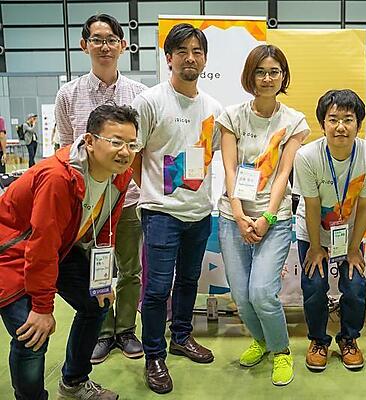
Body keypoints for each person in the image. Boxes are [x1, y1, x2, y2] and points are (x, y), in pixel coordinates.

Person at [0, 104, 140, 400]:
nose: (125, 152)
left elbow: (106, 229)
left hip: (58, 247)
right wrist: (42, 308)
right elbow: (42, 245)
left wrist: (101, 281)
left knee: (97, 304)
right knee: (32, 334)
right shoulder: (57, 177)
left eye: (131, 144)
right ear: (89, 141)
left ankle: (74, 382)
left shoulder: (120, 175)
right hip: (10, 252)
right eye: (116, 142)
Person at [132, 23, 222, 394]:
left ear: (205, 60)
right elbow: (134, 155)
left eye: (197, 51)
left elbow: (217, 154)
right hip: (161, 214)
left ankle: (181, 337)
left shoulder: (213, 108)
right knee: (156, 289)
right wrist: (154, 192)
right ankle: (154, 356)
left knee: (188, 281)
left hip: (199, 213)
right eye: (182, 51)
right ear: (168, 58)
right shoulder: (150, 102)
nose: (190, 58)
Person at [55, 13, 148, 364]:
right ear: (85, 45)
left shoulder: (139, 95)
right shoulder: (68, 95)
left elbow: (143, 149)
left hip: (128, 199)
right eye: (97, 39)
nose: (104, 46)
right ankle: (103, 331)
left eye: (111, 39)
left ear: (123, 45)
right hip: (87, 204)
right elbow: (66, 149)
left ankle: (126, 329)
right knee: (97, 267)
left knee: (131, 269)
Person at [217, 44, 309, 386]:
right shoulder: (232, 116)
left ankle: (281, 350)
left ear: (283, 76)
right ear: (250, 76)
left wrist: (267, 217)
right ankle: (261, 341)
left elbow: (283, 173)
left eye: (274, 72)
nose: (267, 78)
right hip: (233, 216)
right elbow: (230, 169)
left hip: (275, 218)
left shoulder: (293, 121)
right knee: (242, 297)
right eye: (260, 72)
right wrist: (239, 215)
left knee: (261, 293)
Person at [295, 89, 366, 371]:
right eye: (333, 119)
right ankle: (318, 341)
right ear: (322, 124)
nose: (340, 127)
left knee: (355, 286)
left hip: (349, 233)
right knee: (314, 285)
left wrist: (353, 249)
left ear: (358, 124)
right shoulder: (307, 156)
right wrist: (315, 247)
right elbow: (311, 205)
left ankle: (349, 339)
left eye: (348, 119)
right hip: (312, 231)